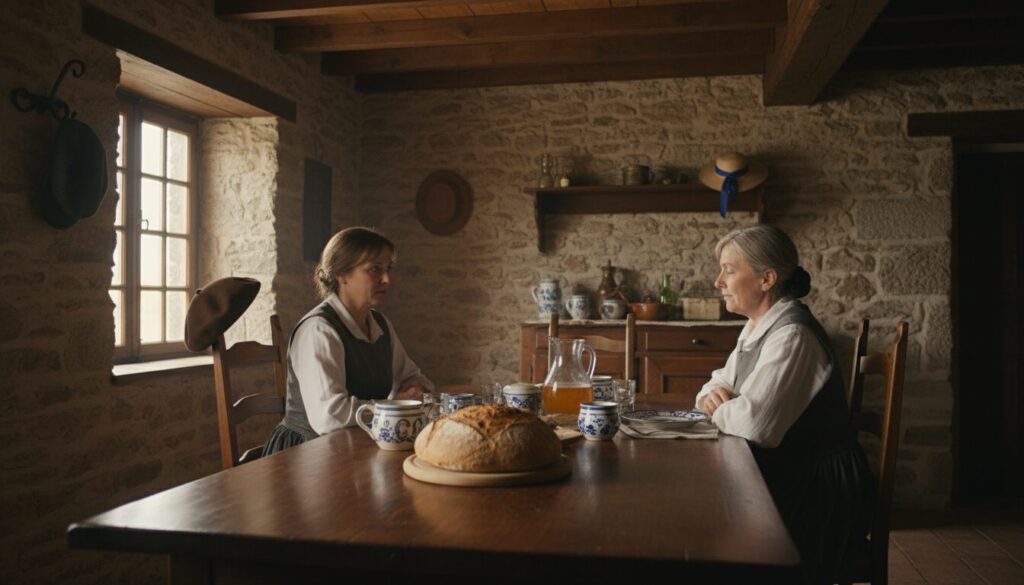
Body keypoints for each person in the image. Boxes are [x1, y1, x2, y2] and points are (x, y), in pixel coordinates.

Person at [694, 225, 873, 584]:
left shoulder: (793, 335)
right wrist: (717, 401)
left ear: (767, 279)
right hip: (789, 474)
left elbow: (756, 427)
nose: (718, 281)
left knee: (703, 526)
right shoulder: (756, 326)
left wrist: (719, 408)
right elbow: (712, 386)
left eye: (729, 270)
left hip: (820, 489)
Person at [264, 227, 432, 455]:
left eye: (388, 269)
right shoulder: (319, 330)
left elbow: (412, 376)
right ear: (341, 275)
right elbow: (329, 416)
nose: (387, 279)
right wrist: (392, 405)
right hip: (306, 454)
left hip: (355, 447)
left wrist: (415, 390)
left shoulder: (380, 325)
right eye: (375, 269)